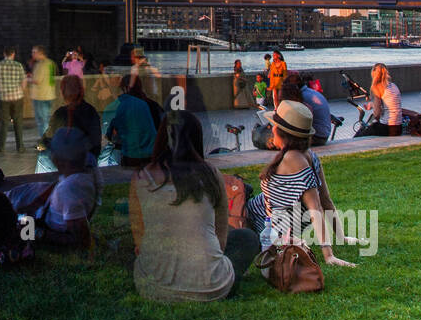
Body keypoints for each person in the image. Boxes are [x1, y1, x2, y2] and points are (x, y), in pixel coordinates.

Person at [130, 111, 262, 302]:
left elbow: (139, 242)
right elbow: (221, 239)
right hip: (211, 287)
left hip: (153, 288)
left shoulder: (141, 177)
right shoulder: (211, 174)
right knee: (246, 237)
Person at [243, 101, 356, 267]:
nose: (270, 128)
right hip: (254, 216)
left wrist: (329, 255)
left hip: (260, 224)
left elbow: (316, 207)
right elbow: (325, 199)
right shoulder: (308, 154)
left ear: (282, 132)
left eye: (272, 125)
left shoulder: (293, 159)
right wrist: (341, 237)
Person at [7, 127, 97, 248]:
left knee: (7, 224)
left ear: (60, 160)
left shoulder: (69, 189)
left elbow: (81, 239)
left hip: (46, 226)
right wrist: (34, 204)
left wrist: (37, 233)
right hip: (42, 213)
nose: (51, 157)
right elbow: (56, 186)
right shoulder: (76, 175)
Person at [37, 73, 102, 171]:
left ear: (63, 92)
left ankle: (44, 185)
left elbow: (48, 138)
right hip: (89, 160)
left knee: (43, 157)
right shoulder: (91, 110)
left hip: (71, 162)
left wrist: (41, 144)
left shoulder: (61, 114)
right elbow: (96, 141)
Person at [101, 74, 158, 166]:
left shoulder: (115, 107)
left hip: (130, 155)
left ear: (124, 88)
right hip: (150, 154)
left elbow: (107, 138)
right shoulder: (147, 105)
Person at [0, 47, 27, 152]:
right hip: (17, 97)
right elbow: (24, 81)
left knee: (4, 123)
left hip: (3, 97)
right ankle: (20, 147)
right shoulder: (18, 65)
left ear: (4, 54)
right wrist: (21, 91)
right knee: (18, 122)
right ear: (13, 54)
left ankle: (1, 147)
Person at [281, 73, 331, 145]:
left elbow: (297, 122)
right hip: (323, 134)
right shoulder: (312, 92)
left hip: (316, 137)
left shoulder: (302, 97)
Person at [27, 45, 58, 139]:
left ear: (40, 53)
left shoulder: (41, 64)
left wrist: (27, 78)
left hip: (40, 96)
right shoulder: (51, 63)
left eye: (34, 52)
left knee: (42, 121)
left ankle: (45, 141)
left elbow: (37, 80)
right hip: (49, 94)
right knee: (46, 119)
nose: (32, 54)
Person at [364, 62, 403, 136]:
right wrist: (372, 104)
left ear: (374, 74)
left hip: (388, 128)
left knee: (362, 133)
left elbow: (377, 114)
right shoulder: (393, 85)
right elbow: (389, 105)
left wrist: (375, 110)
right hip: (398, 127)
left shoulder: (377, 87)